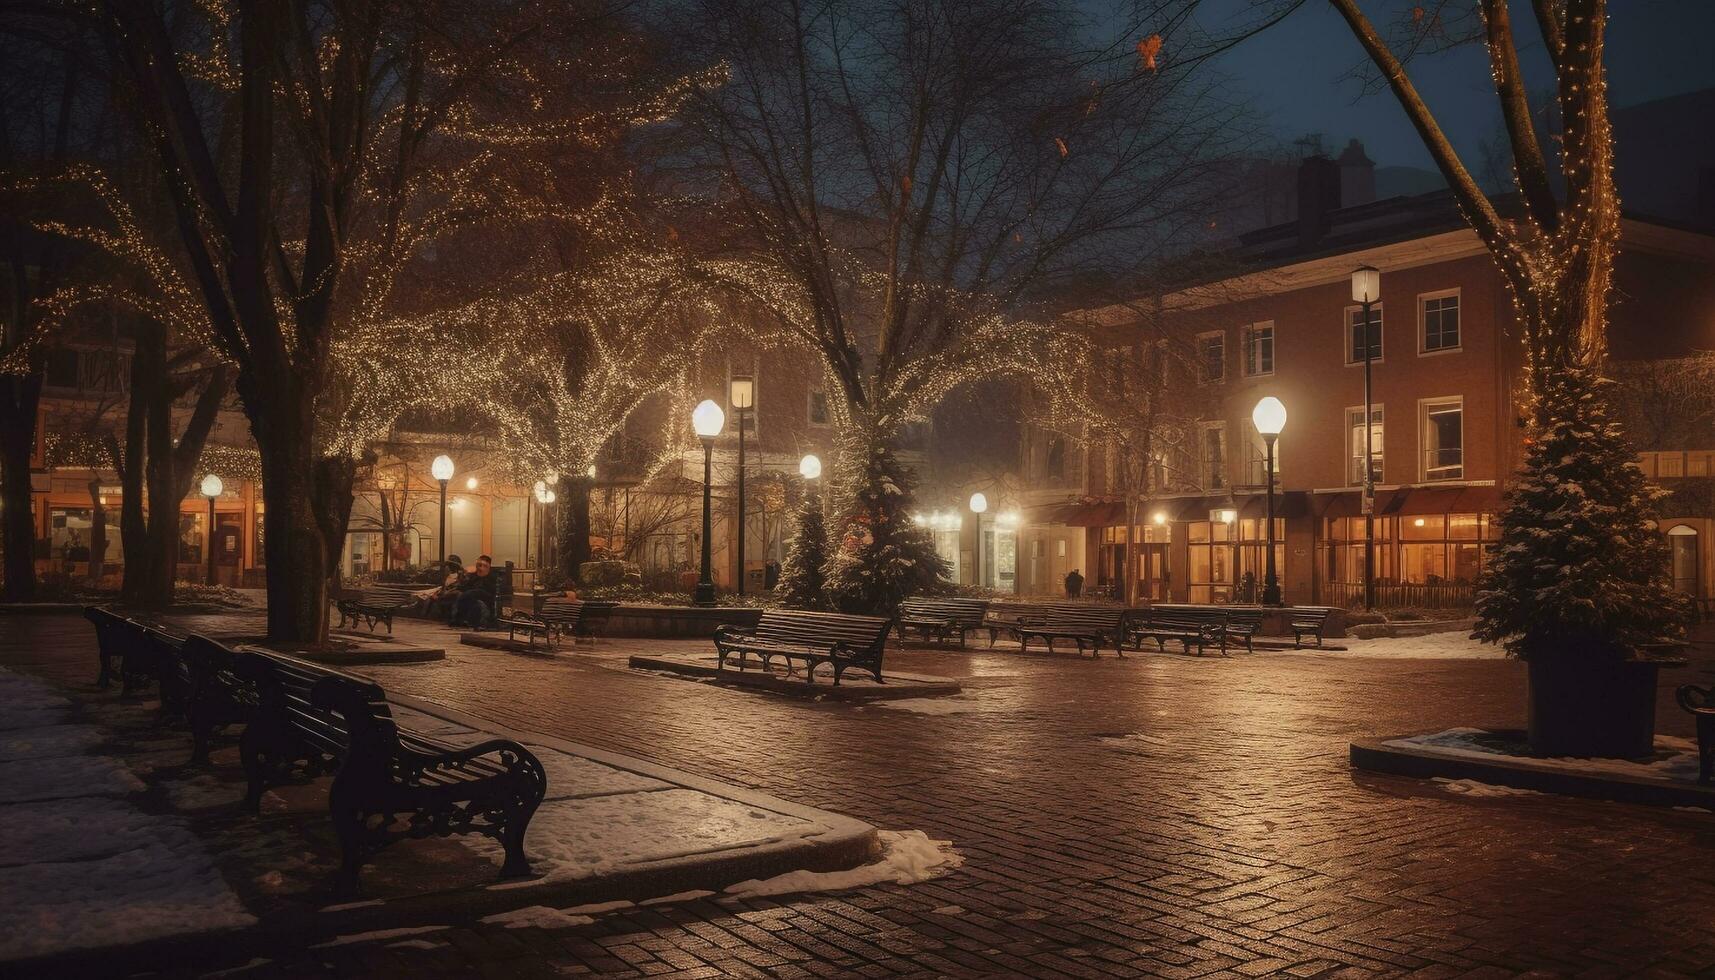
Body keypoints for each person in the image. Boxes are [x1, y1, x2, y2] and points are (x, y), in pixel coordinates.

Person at [449, 555, 498, 628]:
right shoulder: (473, 576)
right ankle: (462, 619)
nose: (480, 568)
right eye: (479, 565)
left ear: (488, 567)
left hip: (486, 596)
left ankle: (459, 619)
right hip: (470, 597)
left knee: (471, 593)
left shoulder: (492, 578)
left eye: (484, 566)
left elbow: (492, 592)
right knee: (465, 596)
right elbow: (465, 587)